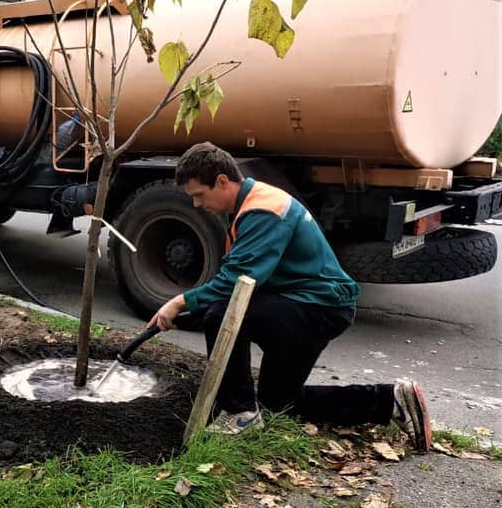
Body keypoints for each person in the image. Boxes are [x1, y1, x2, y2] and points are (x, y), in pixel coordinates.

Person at [149, 142, 432, 451]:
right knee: (279, 403)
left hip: (320, 307)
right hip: (305, 303)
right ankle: (390, 400)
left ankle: (240, 412)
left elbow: (235, 283)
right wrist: (186, 318)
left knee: (221, 312)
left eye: (198, 195)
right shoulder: (251, 205)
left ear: (221, 181)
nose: (196, 205)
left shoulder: (263, 210)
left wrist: (180, 301)